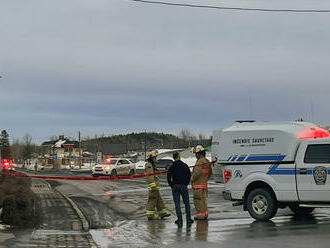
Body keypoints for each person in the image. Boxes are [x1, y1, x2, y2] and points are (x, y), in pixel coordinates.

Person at [167, 152, 194, 227]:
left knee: (177, 204)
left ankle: (179, 219)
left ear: (173, 157)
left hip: (175, 186)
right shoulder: (184, 165)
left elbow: (168, 177)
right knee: (186, 203)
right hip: (183, 186)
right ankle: (188, 218)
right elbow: (189, 175)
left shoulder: (171, 167)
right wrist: (186, 183)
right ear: (179, 156)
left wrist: (171, 185)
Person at [145, 150, 171, 220]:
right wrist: (153, 185)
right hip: (153, 187)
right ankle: (150, 215)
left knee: (159, 201)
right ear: (150, 158)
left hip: (155, 187)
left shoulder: (152, 165)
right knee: (152, 200)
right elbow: (150, 176)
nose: (155, 159)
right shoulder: (149, 165)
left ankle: (162, 213)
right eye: (154, 158)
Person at [191, 145, 212, 220]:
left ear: (199, 153)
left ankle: (200, 215)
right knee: (203, 200)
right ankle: (205, 213)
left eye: (196, 154)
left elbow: (196, 172)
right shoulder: (207, 161)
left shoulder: (200, 162)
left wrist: (191, 178)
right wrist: (205, 180)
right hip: (204, 185)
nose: (196, 156)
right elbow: (209, 173)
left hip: (198, 186)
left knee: (198, 201)